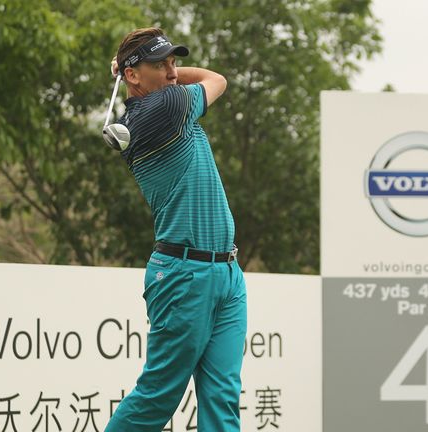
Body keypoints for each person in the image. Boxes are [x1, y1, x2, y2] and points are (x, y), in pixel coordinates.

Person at [103, 28, 247, 432]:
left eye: (173, 62)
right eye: (160, 65)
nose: (172, 71)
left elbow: (199, 80)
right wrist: (134, 69)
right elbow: (216, 80)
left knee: (222, 398)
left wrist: (133, 68)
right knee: (158, 397)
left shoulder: (161, 101)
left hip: (226, 273)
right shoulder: (162, 108)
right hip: (184, 276)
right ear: (132, 77)